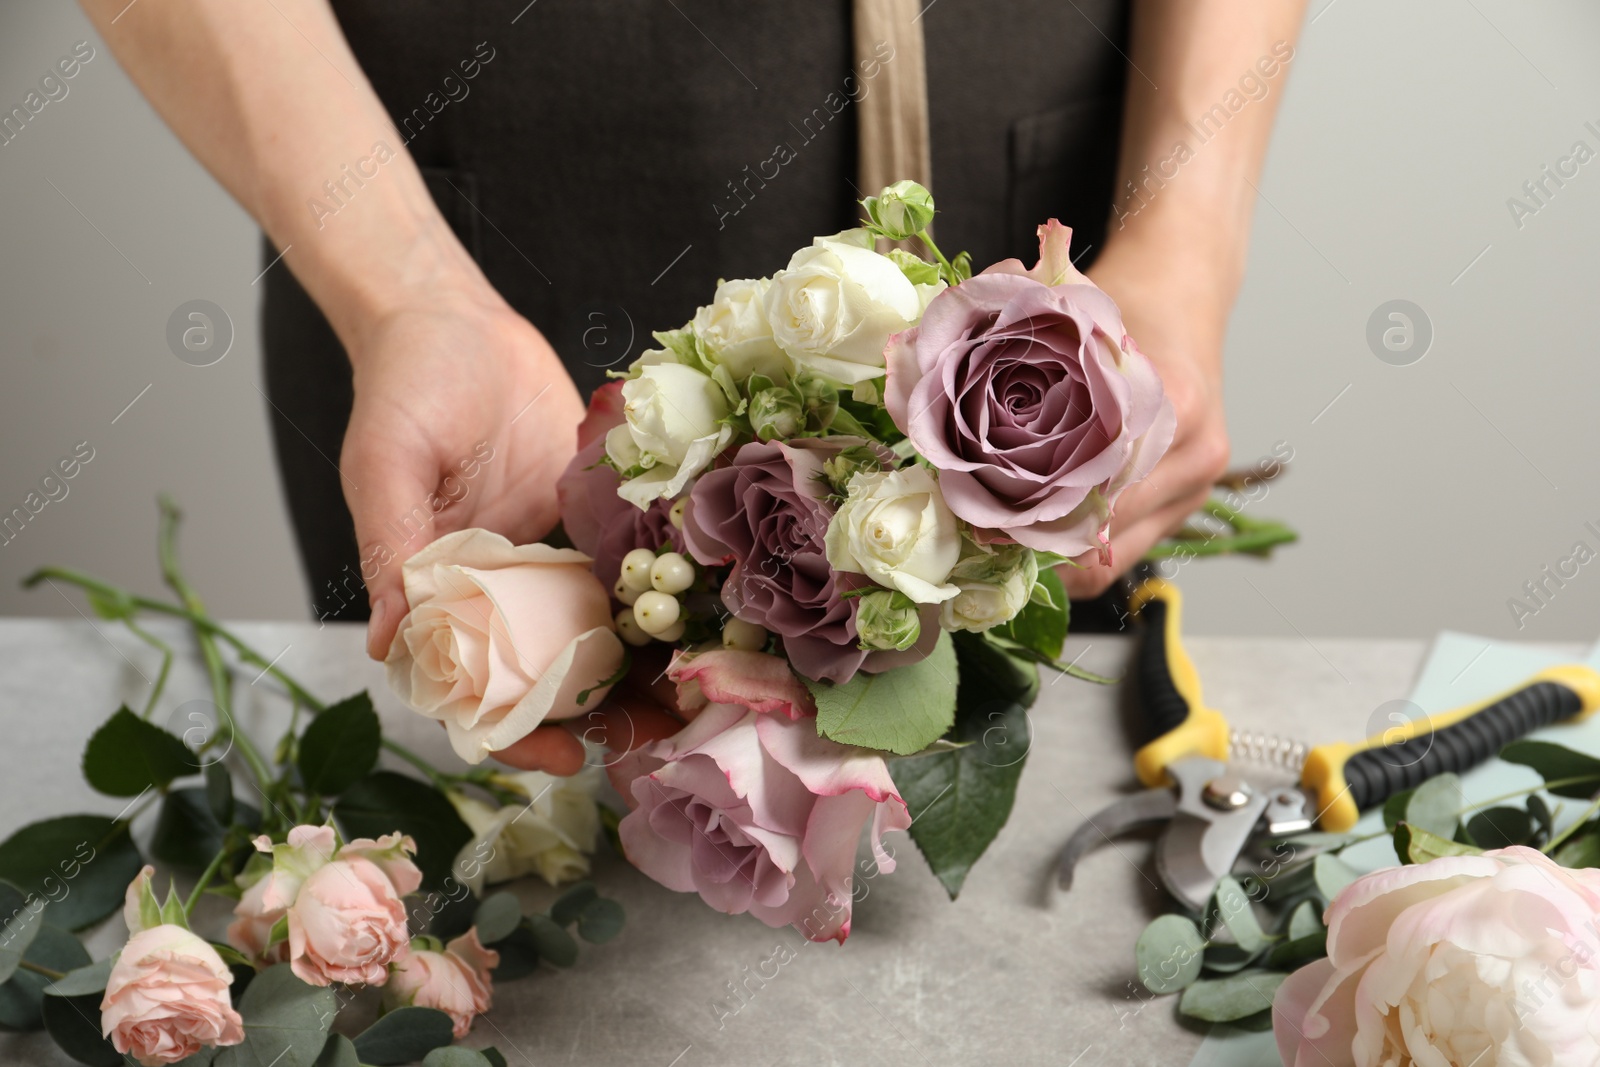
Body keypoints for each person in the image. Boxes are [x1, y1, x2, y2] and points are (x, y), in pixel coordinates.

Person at [82, 0, 1305, 771]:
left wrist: (1185, 239)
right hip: (449, 212)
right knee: (519, 872)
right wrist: (405, 291)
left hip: (1046, 162)